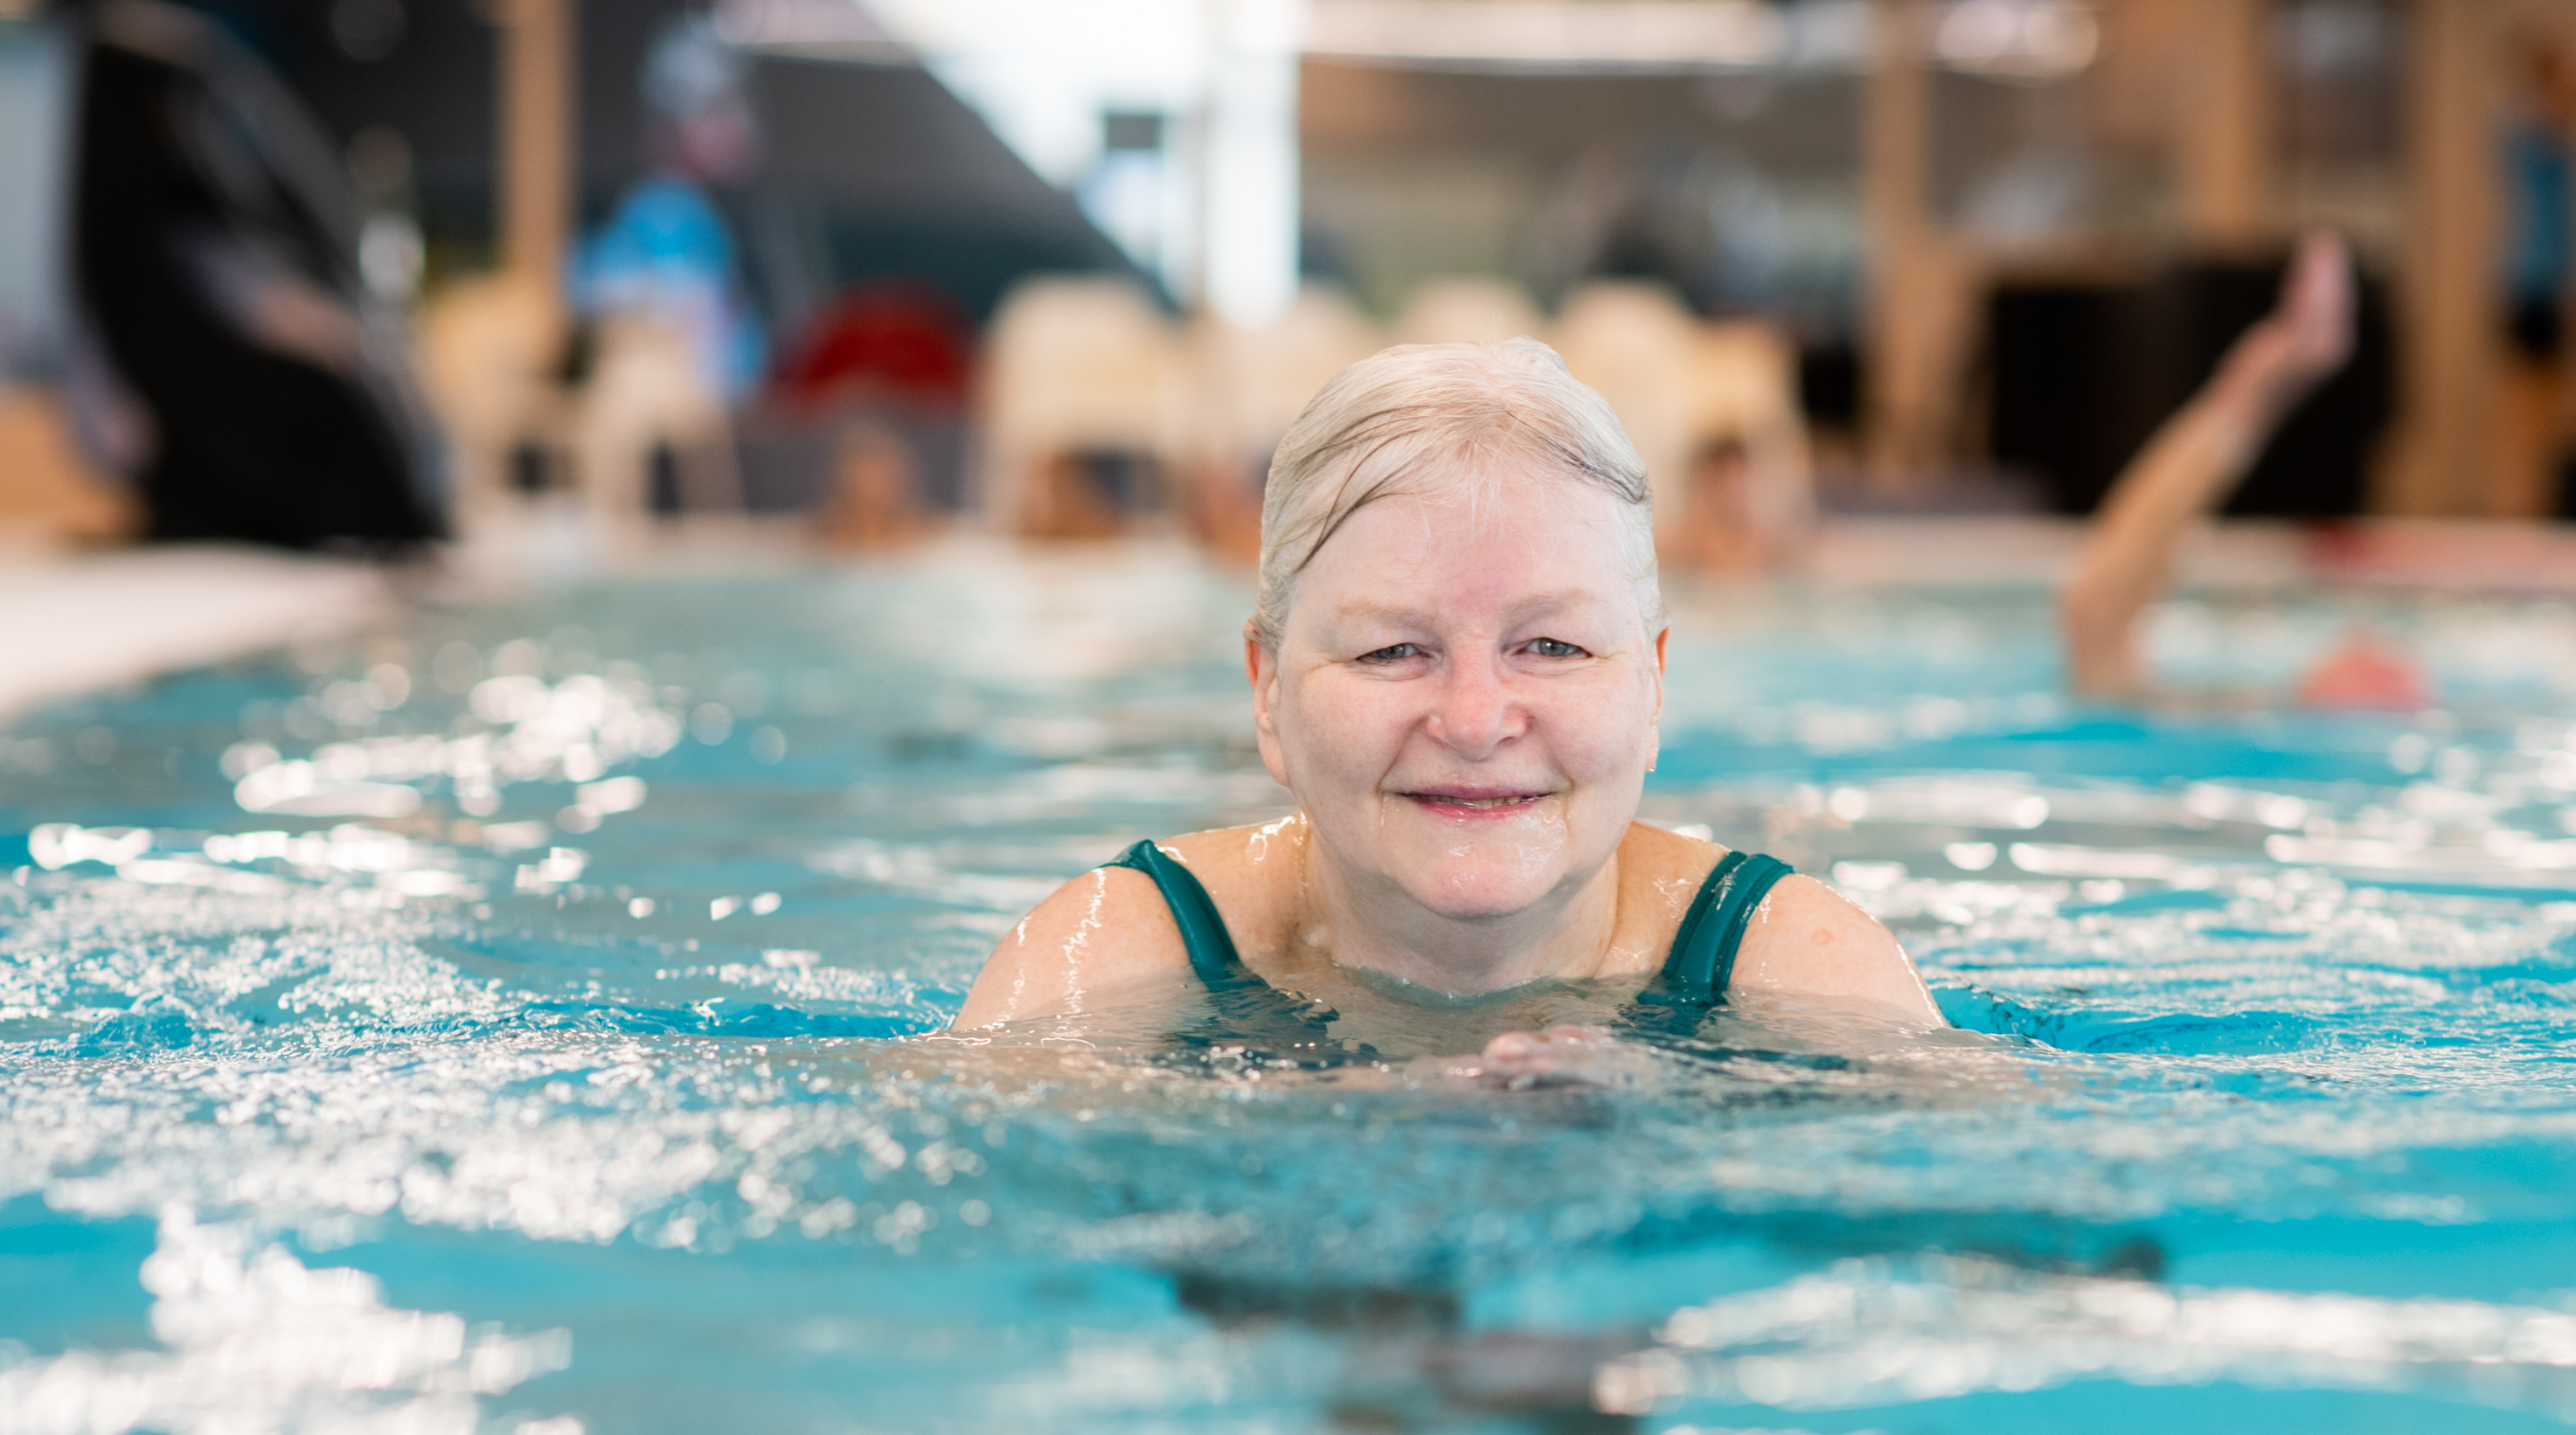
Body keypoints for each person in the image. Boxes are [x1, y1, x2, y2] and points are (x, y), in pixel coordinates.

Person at [950, 340, 1940, 1070]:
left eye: (1551, 646)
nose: (1474, 722)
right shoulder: (1117, 958)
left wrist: (1691, 1116)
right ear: (1266, 693)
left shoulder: (1798, 969)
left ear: (1653, 688)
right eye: (1392, 649)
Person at [2058, 229, 2429, 711]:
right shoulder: (2241, 728)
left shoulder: (2238, 740)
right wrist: (2258, 389)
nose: (2366, 644)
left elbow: (2096, 613)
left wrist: (2254, 390)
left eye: (2381, 679)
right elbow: (2094, 616)